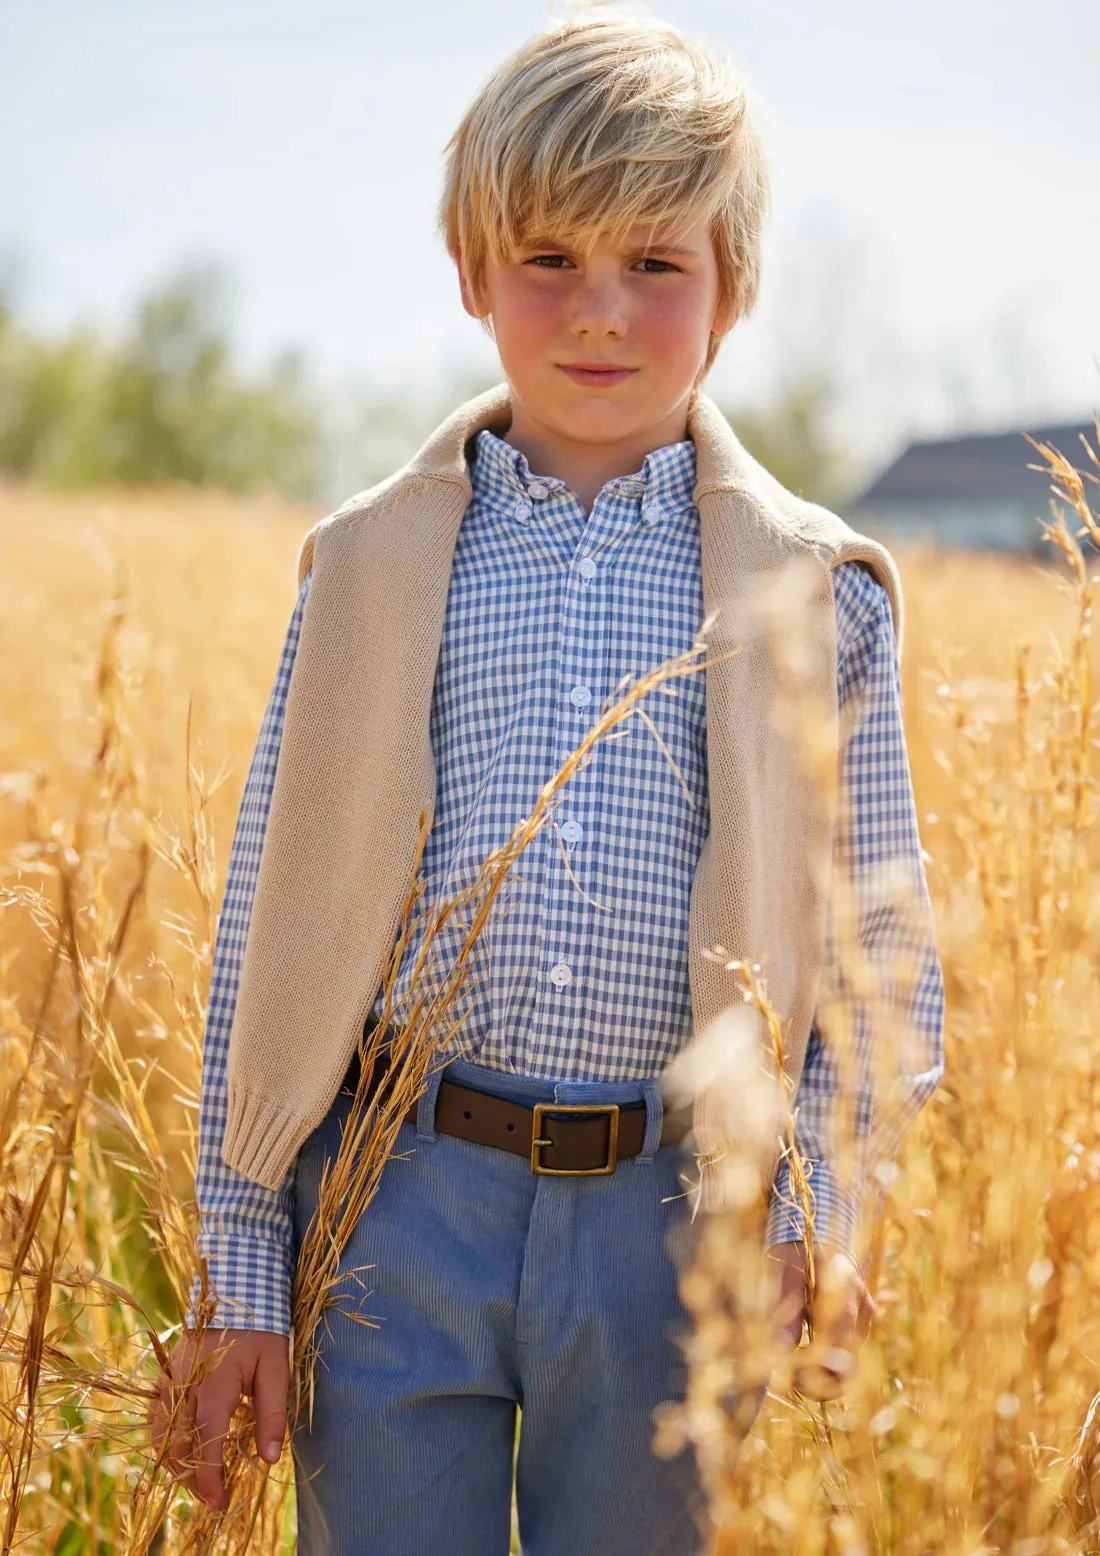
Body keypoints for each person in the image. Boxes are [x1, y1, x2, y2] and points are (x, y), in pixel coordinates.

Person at [150, 10, 945, 1553]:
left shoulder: (812, 591)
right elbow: (273, 913)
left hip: (674, 1221)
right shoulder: (372, 564)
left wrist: (815, 1219)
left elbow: (873, 957)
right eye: (550, 260)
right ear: (469, 275)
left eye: (657, 263)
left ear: (734, 289)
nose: (601, 312)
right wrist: (243, 1254)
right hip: (397, 1198)